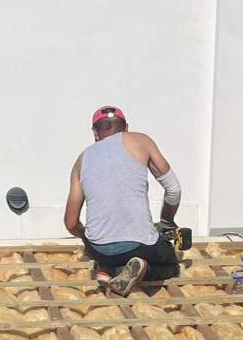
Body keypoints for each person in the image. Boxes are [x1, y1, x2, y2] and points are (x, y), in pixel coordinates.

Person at [63, 105, 182, 296]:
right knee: (171, 265)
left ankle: (106, 268)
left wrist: (91, 240)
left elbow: (70, 223)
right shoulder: (141, 140)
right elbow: (174, 190)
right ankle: (142, 270)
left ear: (95, 133)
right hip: (140, 245)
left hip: (99, 249)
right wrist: (167, 221)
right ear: (126, 128)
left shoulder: (81, 160)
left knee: (110, 251)